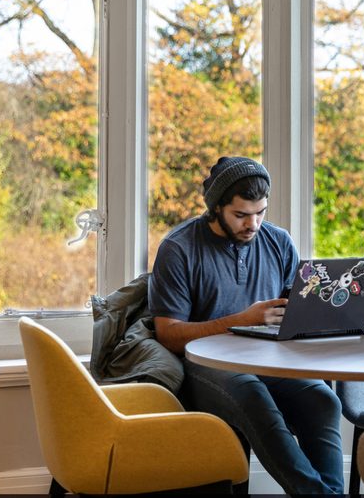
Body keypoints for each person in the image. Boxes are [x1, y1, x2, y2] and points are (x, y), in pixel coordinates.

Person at [149, 156, 344, 495]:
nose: (253, 224)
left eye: (260, 213)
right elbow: (168, 334)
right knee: (252, 395)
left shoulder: (279, 242)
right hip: (204, 364)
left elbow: (293, 313)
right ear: (216, 208)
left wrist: (327, 317)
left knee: (324, 401)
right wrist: (240, 321)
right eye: (240, 215)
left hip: (270, 359)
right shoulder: (179, 248)